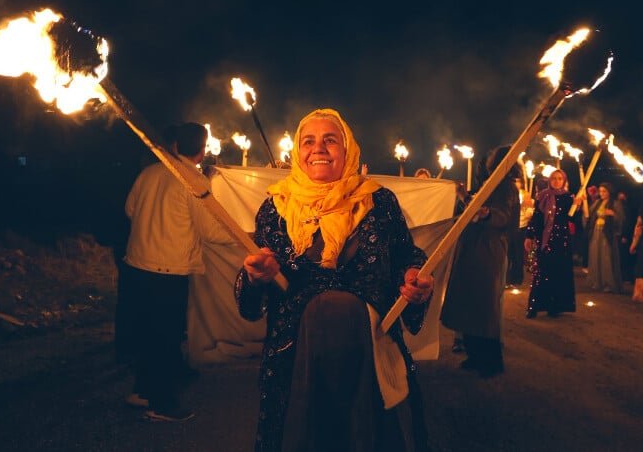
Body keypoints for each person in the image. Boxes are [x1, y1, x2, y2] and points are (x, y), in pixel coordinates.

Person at [236, 109, 434, 452]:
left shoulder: (379, 201)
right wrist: (255, 276)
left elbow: (407, 256)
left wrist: (413, 278)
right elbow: (252, 301)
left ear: (347, 150)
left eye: (330, 140)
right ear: (298, 152)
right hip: (297, 354)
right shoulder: (275, 208)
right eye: (308, 141)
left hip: (369, 345)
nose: (318, 148)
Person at [116, 122, 234, 422]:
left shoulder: (149, 172)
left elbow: (130, 209)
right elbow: (211, 231)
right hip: (168, 271)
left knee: (147, 333)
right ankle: (162, 403)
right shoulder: (193, 181)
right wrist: (245, 234)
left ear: (175, 145)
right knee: (166, 337)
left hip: (136, 265)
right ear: (202, 150)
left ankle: (142, 391)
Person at [440, 146, 521, 377]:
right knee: (471, 302)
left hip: (488, 250)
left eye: (493, 156)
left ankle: (490, 361)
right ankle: (474, 355)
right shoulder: (490, 184)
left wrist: (488, 214)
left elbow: (502, 216)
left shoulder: (506, 187)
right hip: (474, 248)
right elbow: (474, 209)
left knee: (484, 307)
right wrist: (464, 196)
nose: (488, 159)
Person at [524, 169, 579, 318]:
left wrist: (577, 206)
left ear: (564, 181)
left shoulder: (568, 197)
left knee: (558, 273)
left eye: (560, 178)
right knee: (541, 273)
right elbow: (536, 218)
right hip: (545, 239)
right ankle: (534, 307)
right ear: (549, 180)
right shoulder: (542, 196)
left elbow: (571, 219)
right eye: (554, 178)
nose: (556, 181)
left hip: (561, 241)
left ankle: (555, 306)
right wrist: (529, 236)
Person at [584, 182, 625, 293]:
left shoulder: (615, 203)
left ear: (609, 192)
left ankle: (608, 283)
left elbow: (621, 219)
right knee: (595, 255)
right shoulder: (597, 202)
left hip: (607, 233)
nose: (602, 193)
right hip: (596, 232)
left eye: (604, 191)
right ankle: (597, 281)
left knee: (606, 257)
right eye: (600, 191)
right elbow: (588, 215)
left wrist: (613, 214)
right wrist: (584, 205)